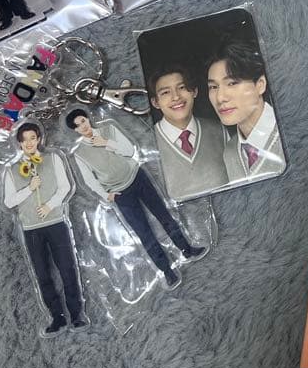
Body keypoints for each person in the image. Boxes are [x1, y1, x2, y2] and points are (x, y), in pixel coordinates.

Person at [65, 109, 206, 290]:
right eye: (78, 126)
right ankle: (167, 271)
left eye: (83, 121)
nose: (83, 126)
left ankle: (187, 249)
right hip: (120, 193)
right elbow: (89, 180)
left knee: (164, 215)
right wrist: (106, 195)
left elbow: (129, 150)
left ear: (87, 118)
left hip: (137, 177)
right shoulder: (80, 153)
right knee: (143, 232)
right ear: (75, 130)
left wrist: (106, 143)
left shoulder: (108, 129)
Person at [1, 123, 85, 336]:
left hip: (56, 223)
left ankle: (76, 315)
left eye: (32, 138)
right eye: (24, 139)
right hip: (31, 229)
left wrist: (50, 205)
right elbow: (9, 202)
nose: (29, 143)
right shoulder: (12, 170)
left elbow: (65, 187)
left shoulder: (53, 158)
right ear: (19, 143)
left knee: (67, 269)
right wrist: (29, 188)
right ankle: (57, 317)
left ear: (39, 139)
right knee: (42, 274)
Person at [206, 38, 286, 183]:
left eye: (232, 83)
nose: (220, 98)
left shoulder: (290, 134)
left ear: (260, 85)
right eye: (213, 87)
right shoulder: (230, 152)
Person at [149, 66, 228, 201]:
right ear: (155, 102)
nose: (176, 97)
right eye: (166, 92)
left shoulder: (219, 131)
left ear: (194, 91)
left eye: (182, 87)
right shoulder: (148, 142)